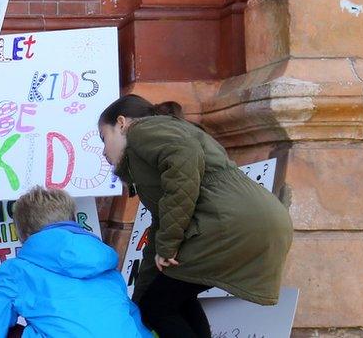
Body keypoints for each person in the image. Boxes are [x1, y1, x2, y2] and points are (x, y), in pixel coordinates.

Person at [98, 95, 293, 338]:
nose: (103, 151)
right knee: (170, 300)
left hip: (230, 223)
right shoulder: (154, 147)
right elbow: (161, 227)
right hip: (251, 220)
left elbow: (183, 156)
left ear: (122, 123)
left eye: (103, 138)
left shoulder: (142, 130)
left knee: (158, 307)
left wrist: (168, 248)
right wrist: (138, 302)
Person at [0, 187, 154, 338]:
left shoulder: (15, 271)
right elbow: (132, 319)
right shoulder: (105, 264)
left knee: (11, 332)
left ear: (23, 234)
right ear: (73, 221)